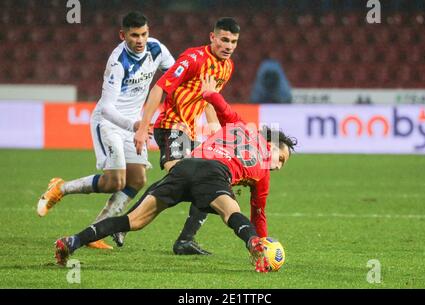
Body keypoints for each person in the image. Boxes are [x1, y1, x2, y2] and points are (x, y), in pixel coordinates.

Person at [54, 75, 297, 273]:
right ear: (272, 145)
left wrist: (209, 94)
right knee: (231, 212)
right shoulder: (263, 172)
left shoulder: (241, 126)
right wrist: (261, 241)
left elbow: (222, 108)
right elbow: (259, 214)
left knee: (133, 221)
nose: (278, 165)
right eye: (281, 158)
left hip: (186, 166)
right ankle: (252, 246)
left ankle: (73, 241)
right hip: (214, 174)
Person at [36, 11, 175, 249]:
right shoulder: (117, 62)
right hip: (110, 124)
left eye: (143, 34)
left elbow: (175, 75)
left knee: (138, 179)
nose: (140, 40)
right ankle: (60, 188)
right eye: (134, 35)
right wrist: (135, 125)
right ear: (123, 35)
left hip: (135, 125)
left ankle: (96, 231)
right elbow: (107, 109)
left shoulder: (157, 50)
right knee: (115, 181)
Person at [127, 17, 240, 255]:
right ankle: (126, 223)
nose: (228, 46)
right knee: (185, 177)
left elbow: (210, 99)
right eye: (224, 40)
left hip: (189, 130)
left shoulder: (227, 67)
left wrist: (214, 130)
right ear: (213, 37)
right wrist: (143, 125)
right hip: (170, 126)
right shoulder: (193, 58)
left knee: (208, 179)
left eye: (233, 41)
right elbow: (160, 87)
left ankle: (186, 240)